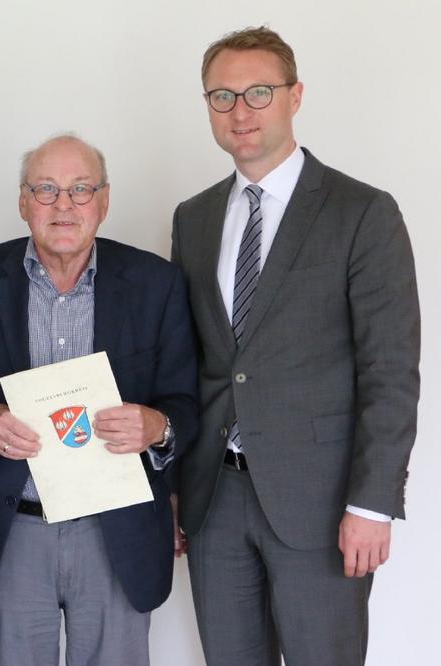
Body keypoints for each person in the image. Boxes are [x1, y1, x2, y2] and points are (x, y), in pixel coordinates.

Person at [171, 26, 420, 665]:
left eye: (258, 92)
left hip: (322, 501)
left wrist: (373, 504)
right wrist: (173, 487)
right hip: (214, 500)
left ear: (295, 96)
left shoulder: (362, 212)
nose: (240, 111)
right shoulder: (193, 218)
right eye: (222, 97)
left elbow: (390, 371)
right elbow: (189, 361)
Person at [0, 135, 198, 666]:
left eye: (80, 189)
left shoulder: (156, 283)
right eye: (46, 189)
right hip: (10, 529)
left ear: (104, 202)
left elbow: (186, 400)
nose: (63, 205)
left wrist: (157, 426)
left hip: (116, 532)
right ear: (23, 202)